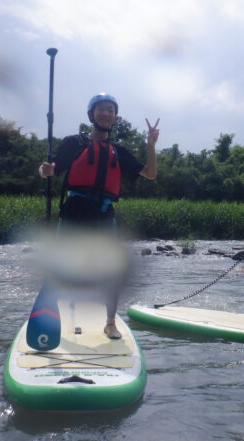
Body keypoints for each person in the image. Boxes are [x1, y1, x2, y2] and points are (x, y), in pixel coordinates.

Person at [39, 93, 159, 339]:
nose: (106, 114)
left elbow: (150, 174)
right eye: (101, 109)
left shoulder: (119, 150)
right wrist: (45, 170)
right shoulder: (74, 143)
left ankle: (110, 322)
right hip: (75, 211)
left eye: (111, 110)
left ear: (115, 117)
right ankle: (56, 318)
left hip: (104, 214)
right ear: (91, 114)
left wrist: (150, 145)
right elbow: (51, 170)